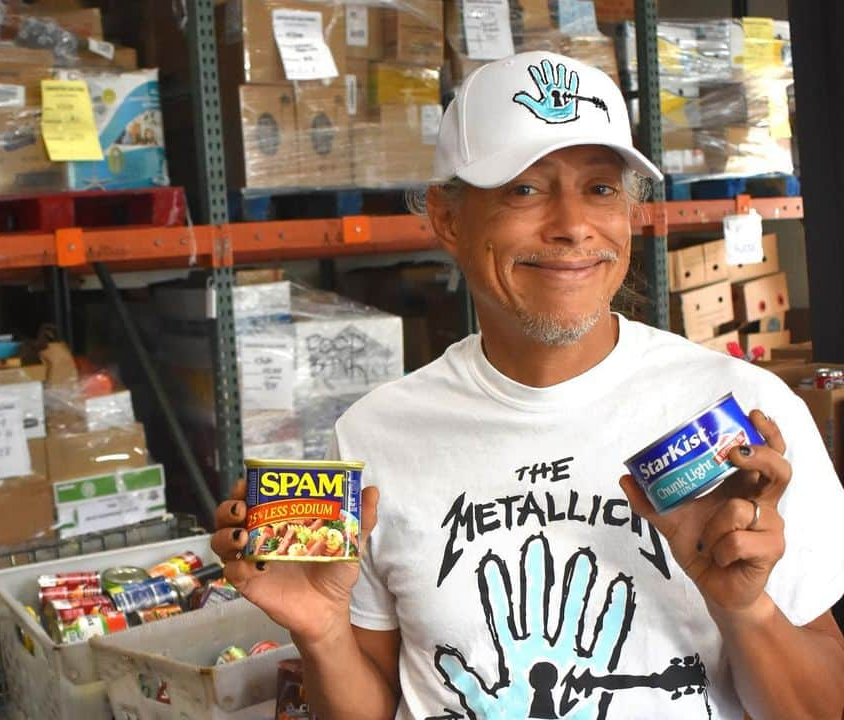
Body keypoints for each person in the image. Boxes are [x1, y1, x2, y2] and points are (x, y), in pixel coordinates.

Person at [212, 50, 844, 719]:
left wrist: (745, 609)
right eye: (525, 189)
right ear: (449, 219)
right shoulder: (377, 434)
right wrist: (323, 634)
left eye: (601, 189)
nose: (572, 225)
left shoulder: (741, 417)